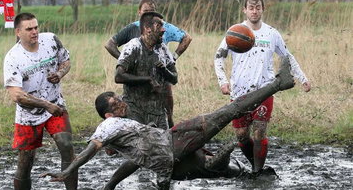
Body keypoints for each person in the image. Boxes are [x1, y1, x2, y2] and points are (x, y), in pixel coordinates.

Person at [41, 56, 296, 189]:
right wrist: (68, 170)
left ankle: (237, 165)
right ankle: (278, 83)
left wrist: (110, 185)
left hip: (169, 150)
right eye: (115, 103)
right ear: (107, 115)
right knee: (230, 111)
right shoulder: (108, 127)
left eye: (118, 98)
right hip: (174, 146)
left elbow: (135, 160)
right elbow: (89, 150)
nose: (120, 102)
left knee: (208, 166)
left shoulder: (122, 127)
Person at [214, 0, 311, 175]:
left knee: (259, 133)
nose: (254, 11)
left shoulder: (271, 33)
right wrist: (223, 81)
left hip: (265, 90)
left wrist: (303, 78)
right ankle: (255, 165)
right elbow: (218, 57)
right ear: (245, 10)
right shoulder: (235, 31)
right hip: (239, 92)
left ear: (262, 9)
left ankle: (257, 172)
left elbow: (287, 57)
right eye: (251, 7)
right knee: (242, 136)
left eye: (258, 7)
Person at [3, 12, 77, 189]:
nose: (34, 32)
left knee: (67, 146)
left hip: (55, 103)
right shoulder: (13, 58)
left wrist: (59, 74)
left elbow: (66, 61)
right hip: (28, 115)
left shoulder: (50, 40)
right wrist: (45, 105)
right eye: (29, 29)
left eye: (36, 27)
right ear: (18, 32)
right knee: (25, 162)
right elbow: (16, 95)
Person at [105, 0, 192, 128]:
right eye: (159, 26)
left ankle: (170, 125)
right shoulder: (133, 45)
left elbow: (174, 78)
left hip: (157, 108)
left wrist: (166, 68)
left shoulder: (163, 49)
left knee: (164, 140)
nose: (163, 30)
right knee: (141, 139)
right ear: (147, 28)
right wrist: (127, 63)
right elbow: (118, 75)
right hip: (136, 106)